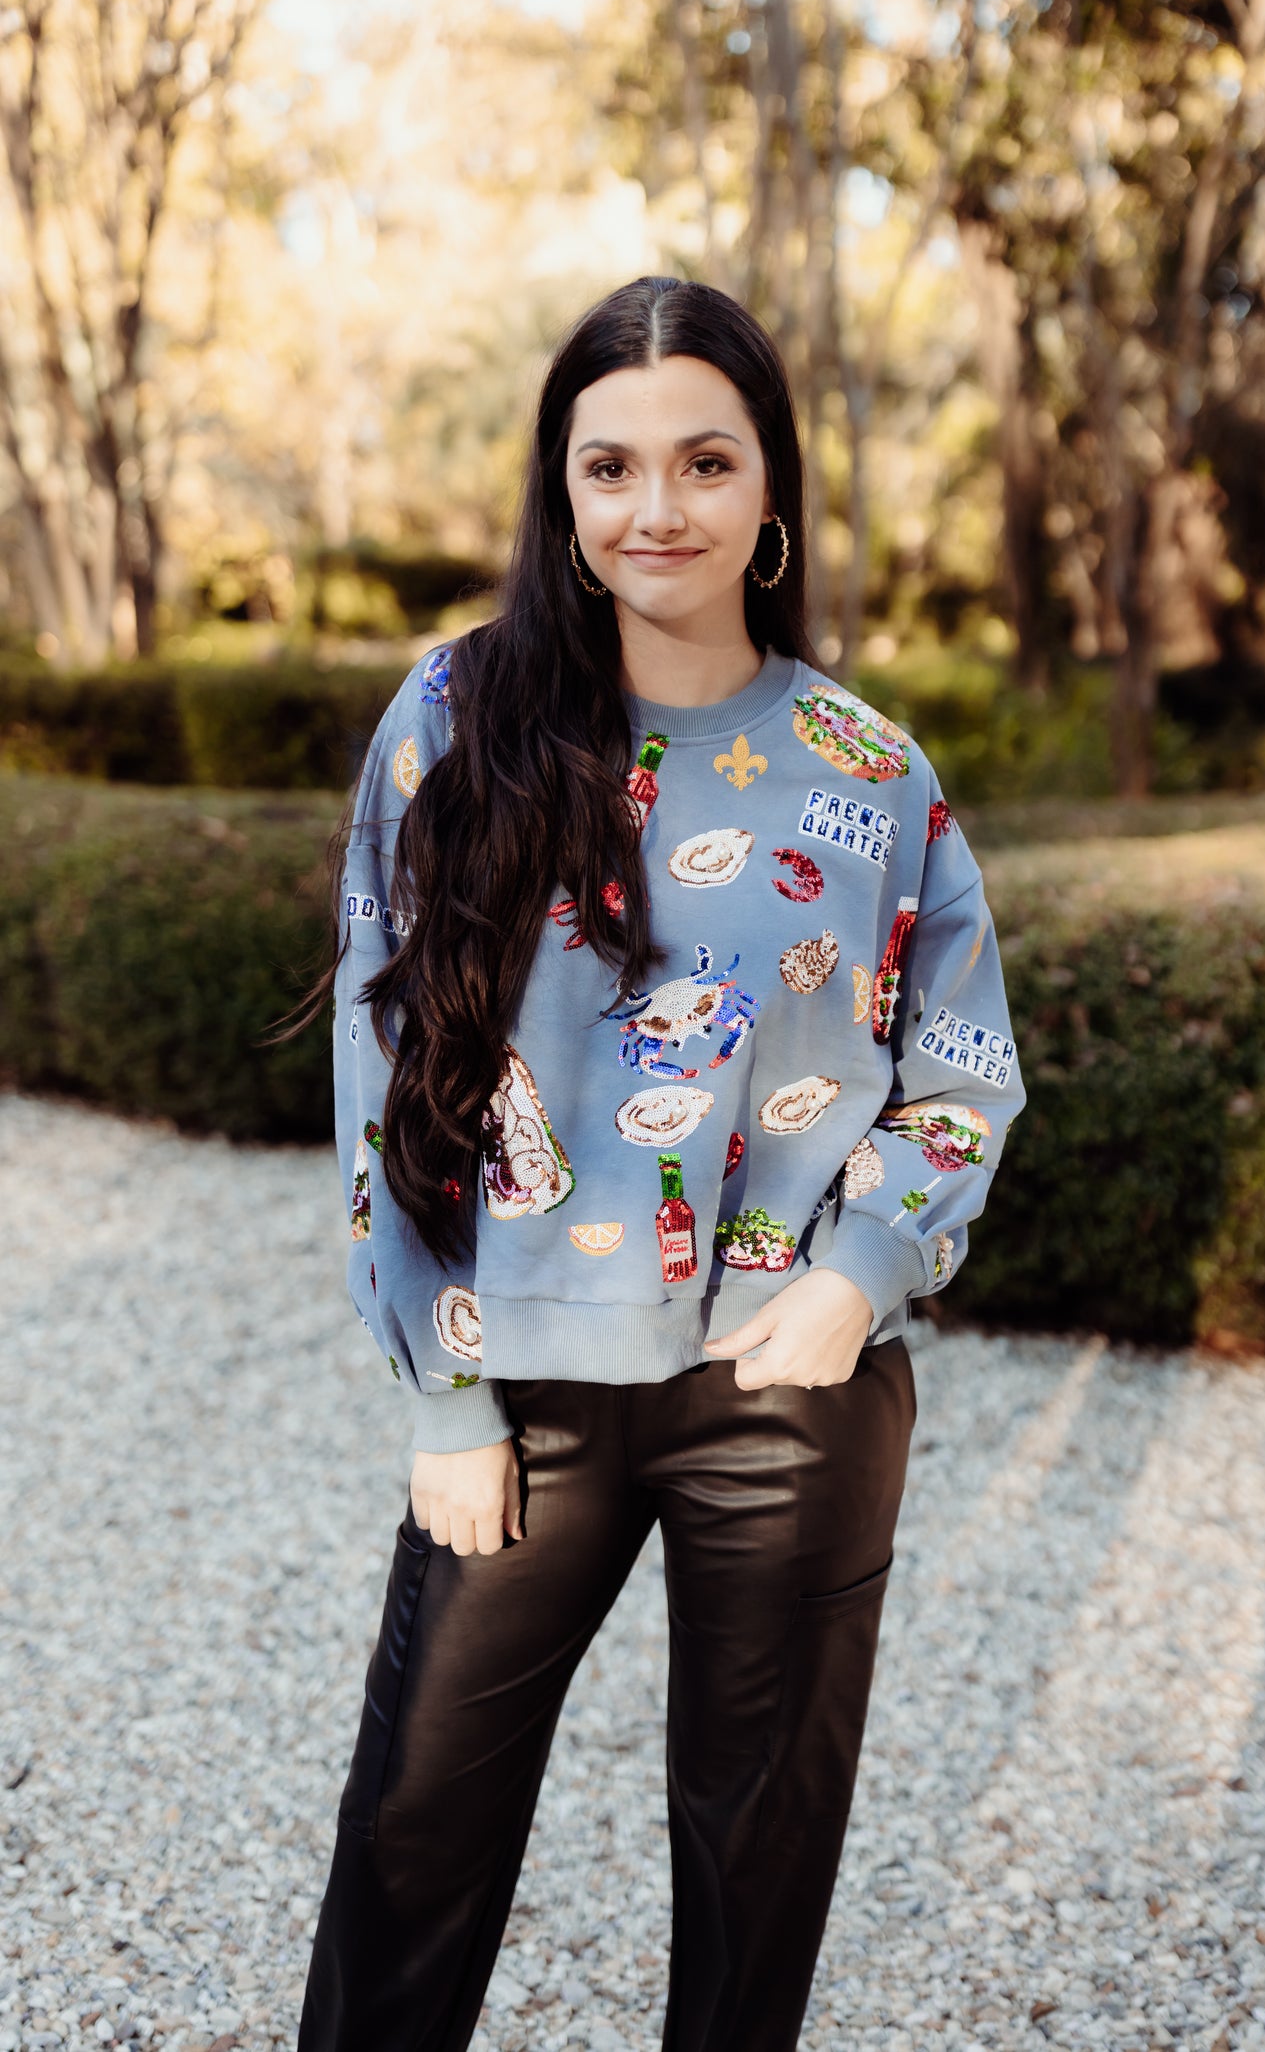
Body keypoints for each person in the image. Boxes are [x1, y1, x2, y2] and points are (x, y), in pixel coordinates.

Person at [297, 274, 1026, 2052]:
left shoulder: (870, 769)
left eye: (706, 462)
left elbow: (965, 1065)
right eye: (610, 467)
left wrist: (858, 1280)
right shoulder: (459, 716)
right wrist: (444, 1391)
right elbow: (382, 1056)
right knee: (413, 1840)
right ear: (562, 492)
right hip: (524, 1383)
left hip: (786, 1393)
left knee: (755, 1871)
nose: (657, 510)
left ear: (771, 489)